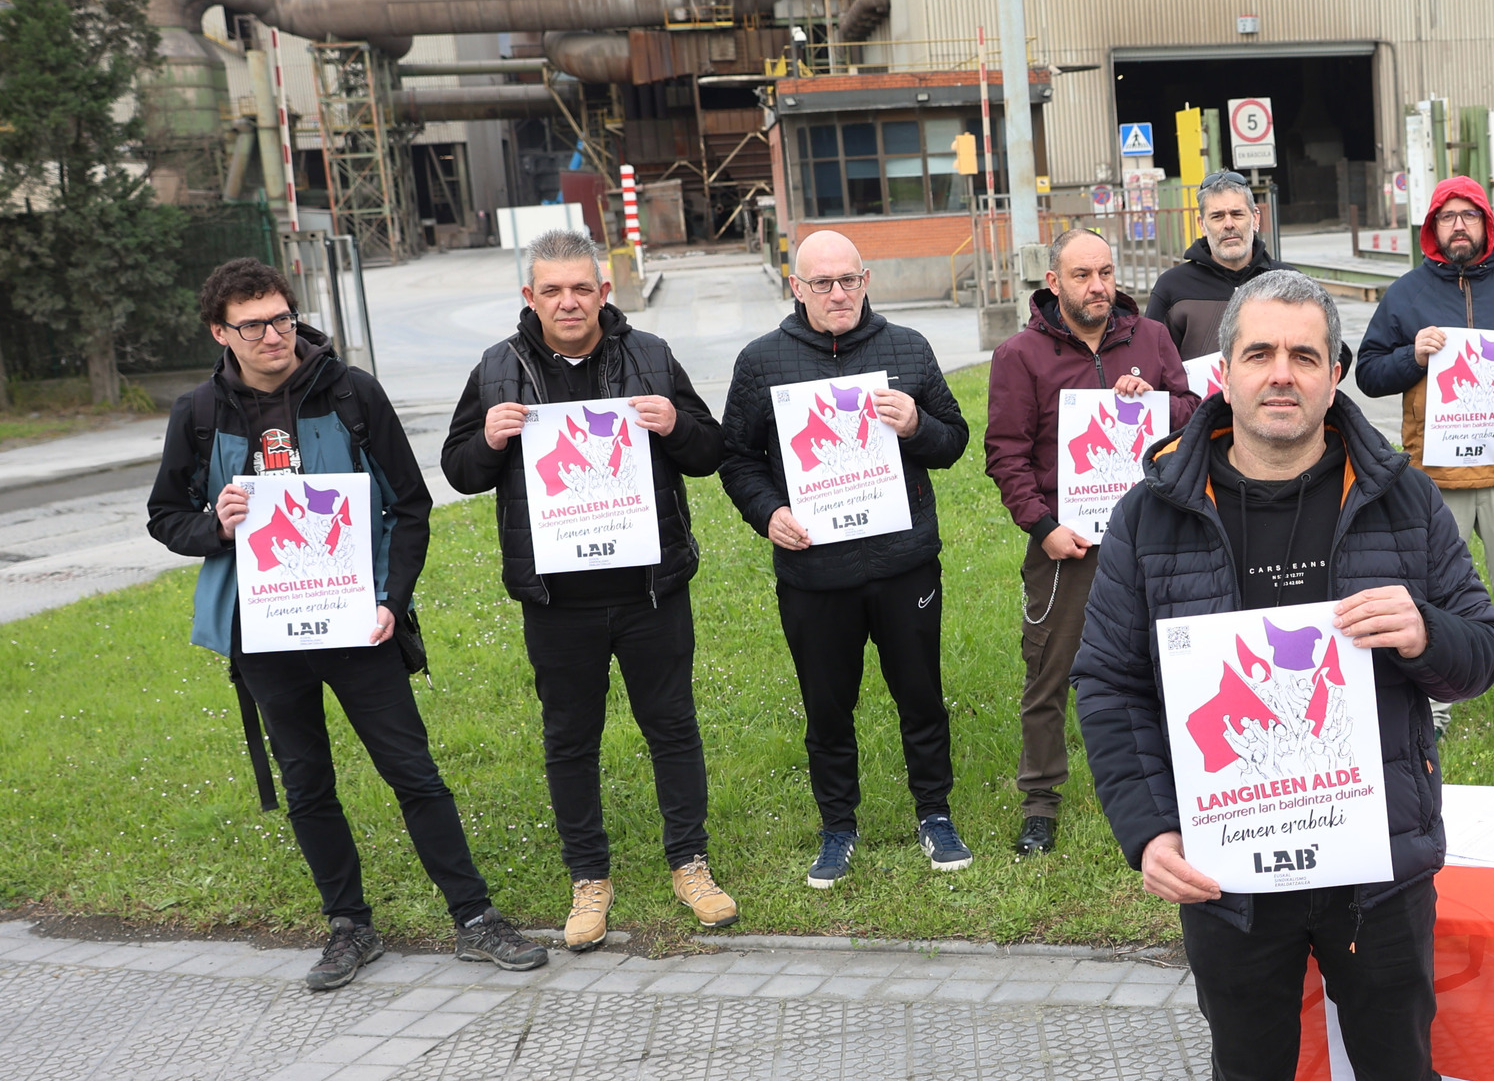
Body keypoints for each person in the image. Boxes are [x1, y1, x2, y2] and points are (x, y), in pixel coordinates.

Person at [1073, 269, 1494, 1081]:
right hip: (1231, 871)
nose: (1281, 375)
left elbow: (1482, 645)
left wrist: (1423, 631)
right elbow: (1110, 686)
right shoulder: (1154, 507)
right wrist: (1144, 828)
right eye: (1260, 354)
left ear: (1331, 373)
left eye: (1304, 357)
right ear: (1224, 372)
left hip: (1373, 866)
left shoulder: (1400, 495)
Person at [148, 258, 548, 990]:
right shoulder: (198, 415)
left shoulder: (352, 393)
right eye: (253, 325)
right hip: (267, 635)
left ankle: (474, 917)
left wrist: (391, 603)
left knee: (414, 774)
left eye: (281, 318)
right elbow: (165, 517)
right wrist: (216, 527)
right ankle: (348, 926)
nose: (274, 335)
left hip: (359, 624)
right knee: (307, 784)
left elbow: (411, 506)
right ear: (220, 332)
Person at [443, 232, 736, 948]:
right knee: (570, 738)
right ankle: (588, 878)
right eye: (552, 291)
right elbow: (458, 470)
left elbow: (710, 450)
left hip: (650, 588)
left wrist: (675, 424)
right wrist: (487, 440)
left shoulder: (651, 356)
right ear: (530, 298)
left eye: (581, 288)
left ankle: (689, 863)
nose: (568, 302)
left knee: (671, 725)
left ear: (604, 292)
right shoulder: (496, 369)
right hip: (556, 598)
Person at [719, 229, 976, 887]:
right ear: (796, 287)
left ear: (866, 280)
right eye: (821, 283)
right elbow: (737, 458)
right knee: (828, 707)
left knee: (920, 696)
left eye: (848, 280)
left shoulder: (907, 349)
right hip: (815, 574)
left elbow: (952, 443)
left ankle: (935, 815)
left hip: (904, 563)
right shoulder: (762, 362)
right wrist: (768, 512)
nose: (837, 294)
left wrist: (917, 424)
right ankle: (838, 827)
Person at [983, 226, 1199, 857]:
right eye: (1082, 275)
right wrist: (1042, 527)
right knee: (1050, 671)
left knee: (1172, 663)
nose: (1098, 286)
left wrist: (1155, 400)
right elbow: (1006, 454)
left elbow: (1195, 413)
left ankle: (1184, 788)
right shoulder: (1020, 356)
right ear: (1054, 283)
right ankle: (1041, 802)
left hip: (1155, 536)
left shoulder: (1152, 339)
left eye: (1105, 272)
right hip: (1068, 544)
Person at [1354, 175, 1494, 730]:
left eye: (1468, 215)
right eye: (1447, 216)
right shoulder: (1406, 294)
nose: (1458, 225)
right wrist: (1412, 355)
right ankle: (1433, 705)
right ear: (1432, 228)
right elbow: (1368, 374)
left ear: (1486, 222)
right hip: (1434, 478)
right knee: (1430, 597)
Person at [1144, 170, 1272, 357]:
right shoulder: (1171, 288)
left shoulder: (1288, 282)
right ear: (1202, 224)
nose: (1229, 224)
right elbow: (1151, 363)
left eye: (1237, 214)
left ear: (1255, 218)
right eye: (1217, 216)